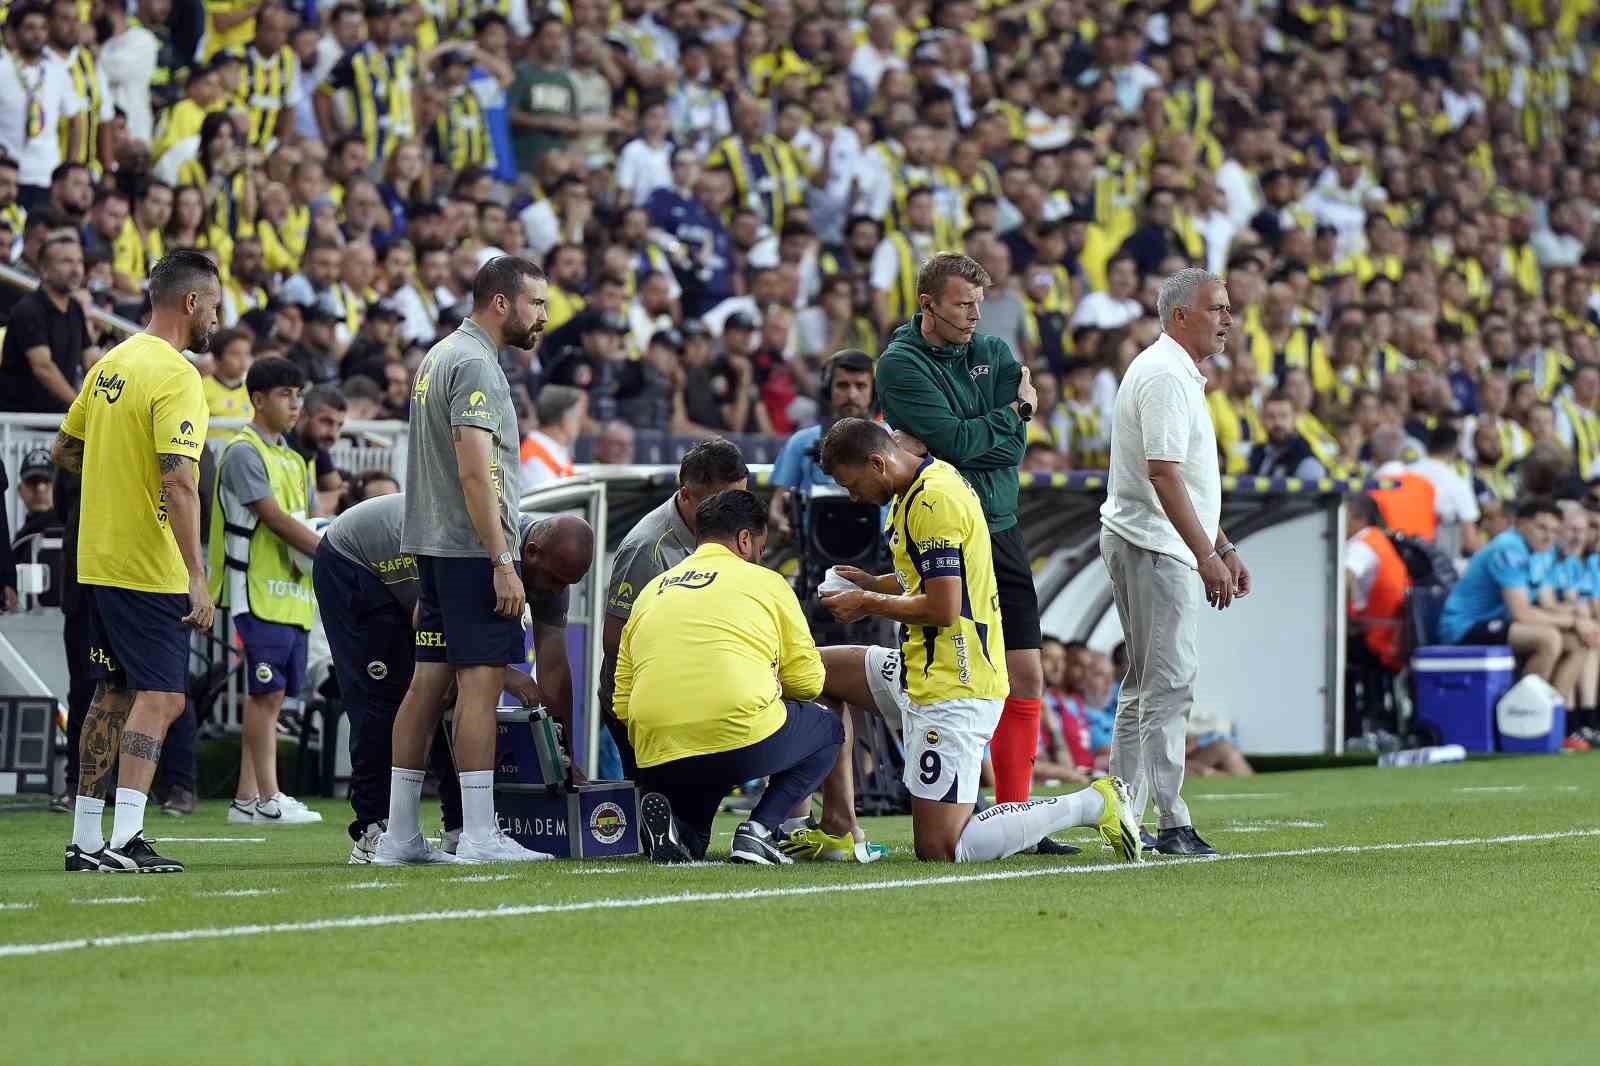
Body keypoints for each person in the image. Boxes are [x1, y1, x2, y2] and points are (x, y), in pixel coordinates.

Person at [813, 418, 1140, 863]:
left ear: (877, 462)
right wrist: (874, 582)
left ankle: (1091, 803)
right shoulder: (925, 481)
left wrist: (867, 601)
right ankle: (837, 826)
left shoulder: (933, 501)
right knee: (816, 672)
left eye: (853, 485)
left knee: (942, 849)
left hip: (953, 684)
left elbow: (943, 606)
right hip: (919, 668)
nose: (853, 497)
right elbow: (930, 577)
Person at [376, 255, 552, 865]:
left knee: (428, 685)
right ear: (500, 303)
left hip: (433, 546)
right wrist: (501, 558)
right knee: (478, 690)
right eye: (536, 304)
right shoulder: (476, 361)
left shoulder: (440, 354)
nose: (543, 318)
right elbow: (476, 468)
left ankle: (400, 835)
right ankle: (478, 834)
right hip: (472, 548)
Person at [53, 249, 219, 873]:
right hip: (148, 566)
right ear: (190, 302)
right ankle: (125, 838)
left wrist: (115, 482)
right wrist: (197, 577)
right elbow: (179, 479)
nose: (216, 323)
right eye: (214, 308)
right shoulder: (177, 376)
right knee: (163, 696)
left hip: (97, 559)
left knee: (112, 695)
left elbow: (64, 448)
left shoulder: (109, 365)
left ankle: (86, 840)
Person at [314, 493, 591, 862]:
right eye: (554, 580)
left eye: (566, 584)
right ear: (533, 551)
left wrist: (567, 757)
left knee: (454, 698)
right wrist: (510, 676)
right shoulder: (485, 555)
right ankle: (374, 828)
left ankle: (459, 826)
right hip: (355, 561)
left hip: (419, 562)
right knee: (389, 697)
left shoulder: (553, 571)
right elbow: (427, 623)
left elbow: (555, 667)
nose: (556, 591)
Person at [874, 251, 1048, 815]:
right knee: (961, 674)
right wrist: (1013, 414)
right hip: (947, 528)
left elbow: (997, 446)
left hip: (1000, 525)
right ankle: (956, 806)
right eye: (962, 304)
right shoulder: (900, 365)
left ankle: (1017, 815)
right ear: (928, 304)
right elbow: (963, 441)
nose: (975, 315)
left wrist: (976, 434)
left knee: (1026, 673)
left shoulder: (994, 350)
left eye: (979, 303)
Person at [1099, 268, 1250, 858]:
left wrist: (1224, 545)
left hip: (1157, 542)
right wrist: (1205, 553)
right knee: (1167, 683)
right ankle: (1170, 822)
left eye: (1227, 307)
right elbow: (1162, 473)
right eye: (1216, 308)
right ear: (1180, 315)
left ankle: (1126, 813)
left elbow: (1181, 478)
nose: (1227, 318)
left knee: (1147, 685)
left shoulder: (1174, 371)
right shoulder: (1164, 375)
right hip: (1154, 546)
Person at [617, 489, 845, 866]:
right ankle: (758, 830)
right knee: (828, 729)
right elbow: (809, 683)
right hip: (736, 732)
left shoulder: (652, 589)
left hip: (658, 748)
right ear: (744, 540)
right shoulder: (768, 583)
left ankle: (674, 829)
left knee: (694, 842)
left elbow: (622, 700)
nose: (760, 555)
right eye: (759, 547)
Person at [207, 355, 325, 826]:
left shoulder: (295, 460)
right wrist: (331, 553)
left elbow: (308, 519)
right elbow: (273, 518)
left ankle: (246, 799)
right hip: (253, 589)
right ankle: (270, 798)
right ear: (257, 399)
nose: (295, 403)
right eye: (284, 394)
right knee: (266, 695)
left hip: (292, 595)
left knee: (273, 696)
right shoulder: (242, 451)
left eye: (299, 394)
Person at [1437, 499, 1588, 693]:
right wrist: (1572, 622)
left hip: (1498, 622)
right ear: (1520, 524)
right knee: (1548, 639)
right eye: (1542, 528)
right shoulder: (1508, 549)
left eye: (1554, 531)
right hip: (1464, 627)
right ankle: (1524, 714)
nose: (1548, 537)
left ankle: (1559, 714)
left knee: (1579, 642)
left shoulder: (1541, 551)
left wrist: (1581, 621)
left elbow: (1547, 604)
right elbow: (1521, 614)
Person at [766, 348, 874, 539]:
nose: (851, 395)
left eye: (860, 386)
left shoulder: (891, 441)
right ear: (827, 389)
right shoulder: (801, 442)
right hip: (814, 550)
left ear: (873, 391)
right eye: (842, 385)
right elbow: (777, 504)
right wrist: (782, 522)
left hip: (879, 555)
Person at [0, 235, 95, 413]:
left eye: (79, 262)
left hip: (56, 420)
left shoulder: (75, 308)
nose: (76, 270)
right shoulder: (29, 309)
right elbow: (43, 367)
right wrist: (80, 407)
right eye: (66, 262)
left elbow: (91, 359)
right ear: (44, 269)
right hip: (19, 425)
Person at [1247, 390, 1326, 480]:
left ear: (1294, 418)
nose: (1277, 423)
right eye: (1270, 416)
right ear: (1262, 420)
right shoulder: (1257, 454)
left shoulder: (1306, 461)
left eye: (1283, 416)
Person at [520, 383, 583, 488]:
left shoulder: (552, 450)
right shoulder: (534, 460)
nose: (579, 424)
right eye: (577, 417)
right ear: (565, 420)